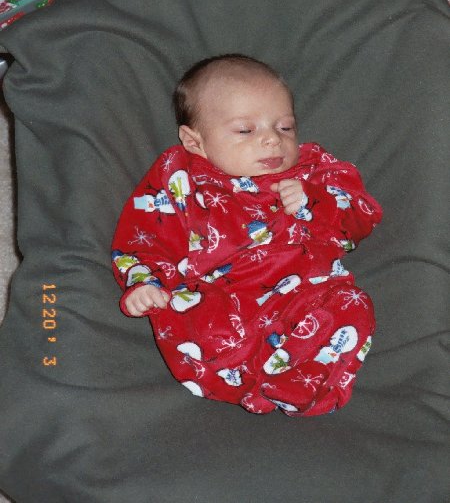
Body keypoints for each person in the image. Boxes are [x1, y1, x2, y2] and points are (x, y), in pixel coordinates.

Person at [111, 54, 383, 416]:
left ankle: (295, 384)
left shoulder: (314, 171)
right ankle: (248, 382)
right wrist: (145, 281)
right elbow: (144, 236)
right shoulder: (181, 177)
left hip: (306, 297)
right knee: (190, 319)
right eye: (245, 130)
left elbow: (361, 218)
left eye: (285, 127)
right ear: (194, 141)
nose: (272, 140)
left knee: (352, 305)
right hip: (220, 301)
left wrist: (315, 201)